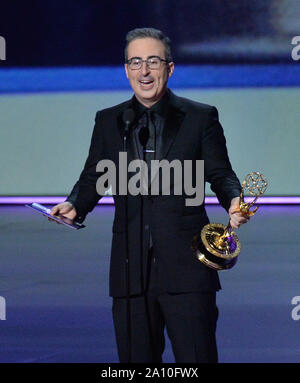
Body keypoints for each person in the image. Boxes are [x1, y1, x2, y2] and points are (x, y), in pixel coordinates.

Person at [50, 27, 249, 363]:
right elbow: (96, 174)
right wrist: (75, 204)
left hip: (187, 268)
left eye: (153, 61)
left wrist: (233, 199)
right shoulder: (109, 120)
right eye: (135, 62)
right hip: (129, 270)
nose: (144, 71)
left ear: (169, 68)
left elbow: (220, 172)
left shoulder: (200, 117)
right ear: (127, 69)